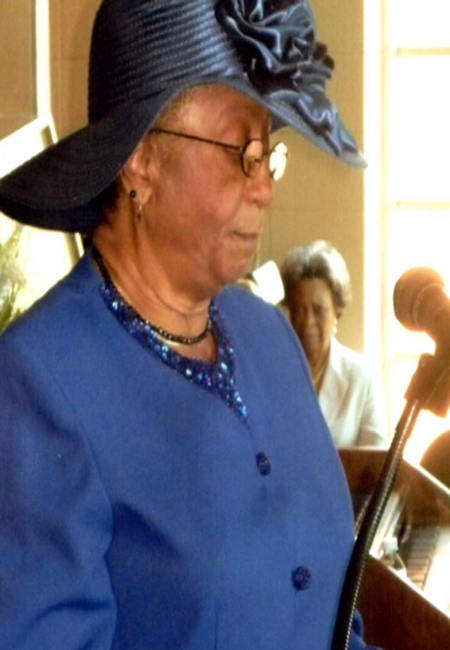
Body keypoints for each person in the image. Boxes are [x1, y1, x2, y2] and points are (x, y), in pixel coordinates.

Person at [0, 1, 380, 649]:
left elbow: (332, 613)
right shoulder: (37, 384)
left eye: (268, 154)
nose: (265, 188)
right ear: (141, 161)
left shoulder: (268, 335)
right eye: (240, 152)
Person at [281, 241, 388, 448]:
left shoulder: (363, 378)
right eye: (299, 310)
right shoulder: (271, 373)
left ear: (336, 313)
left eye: (319, 310)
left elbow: (376, 461)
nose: (308, 323)